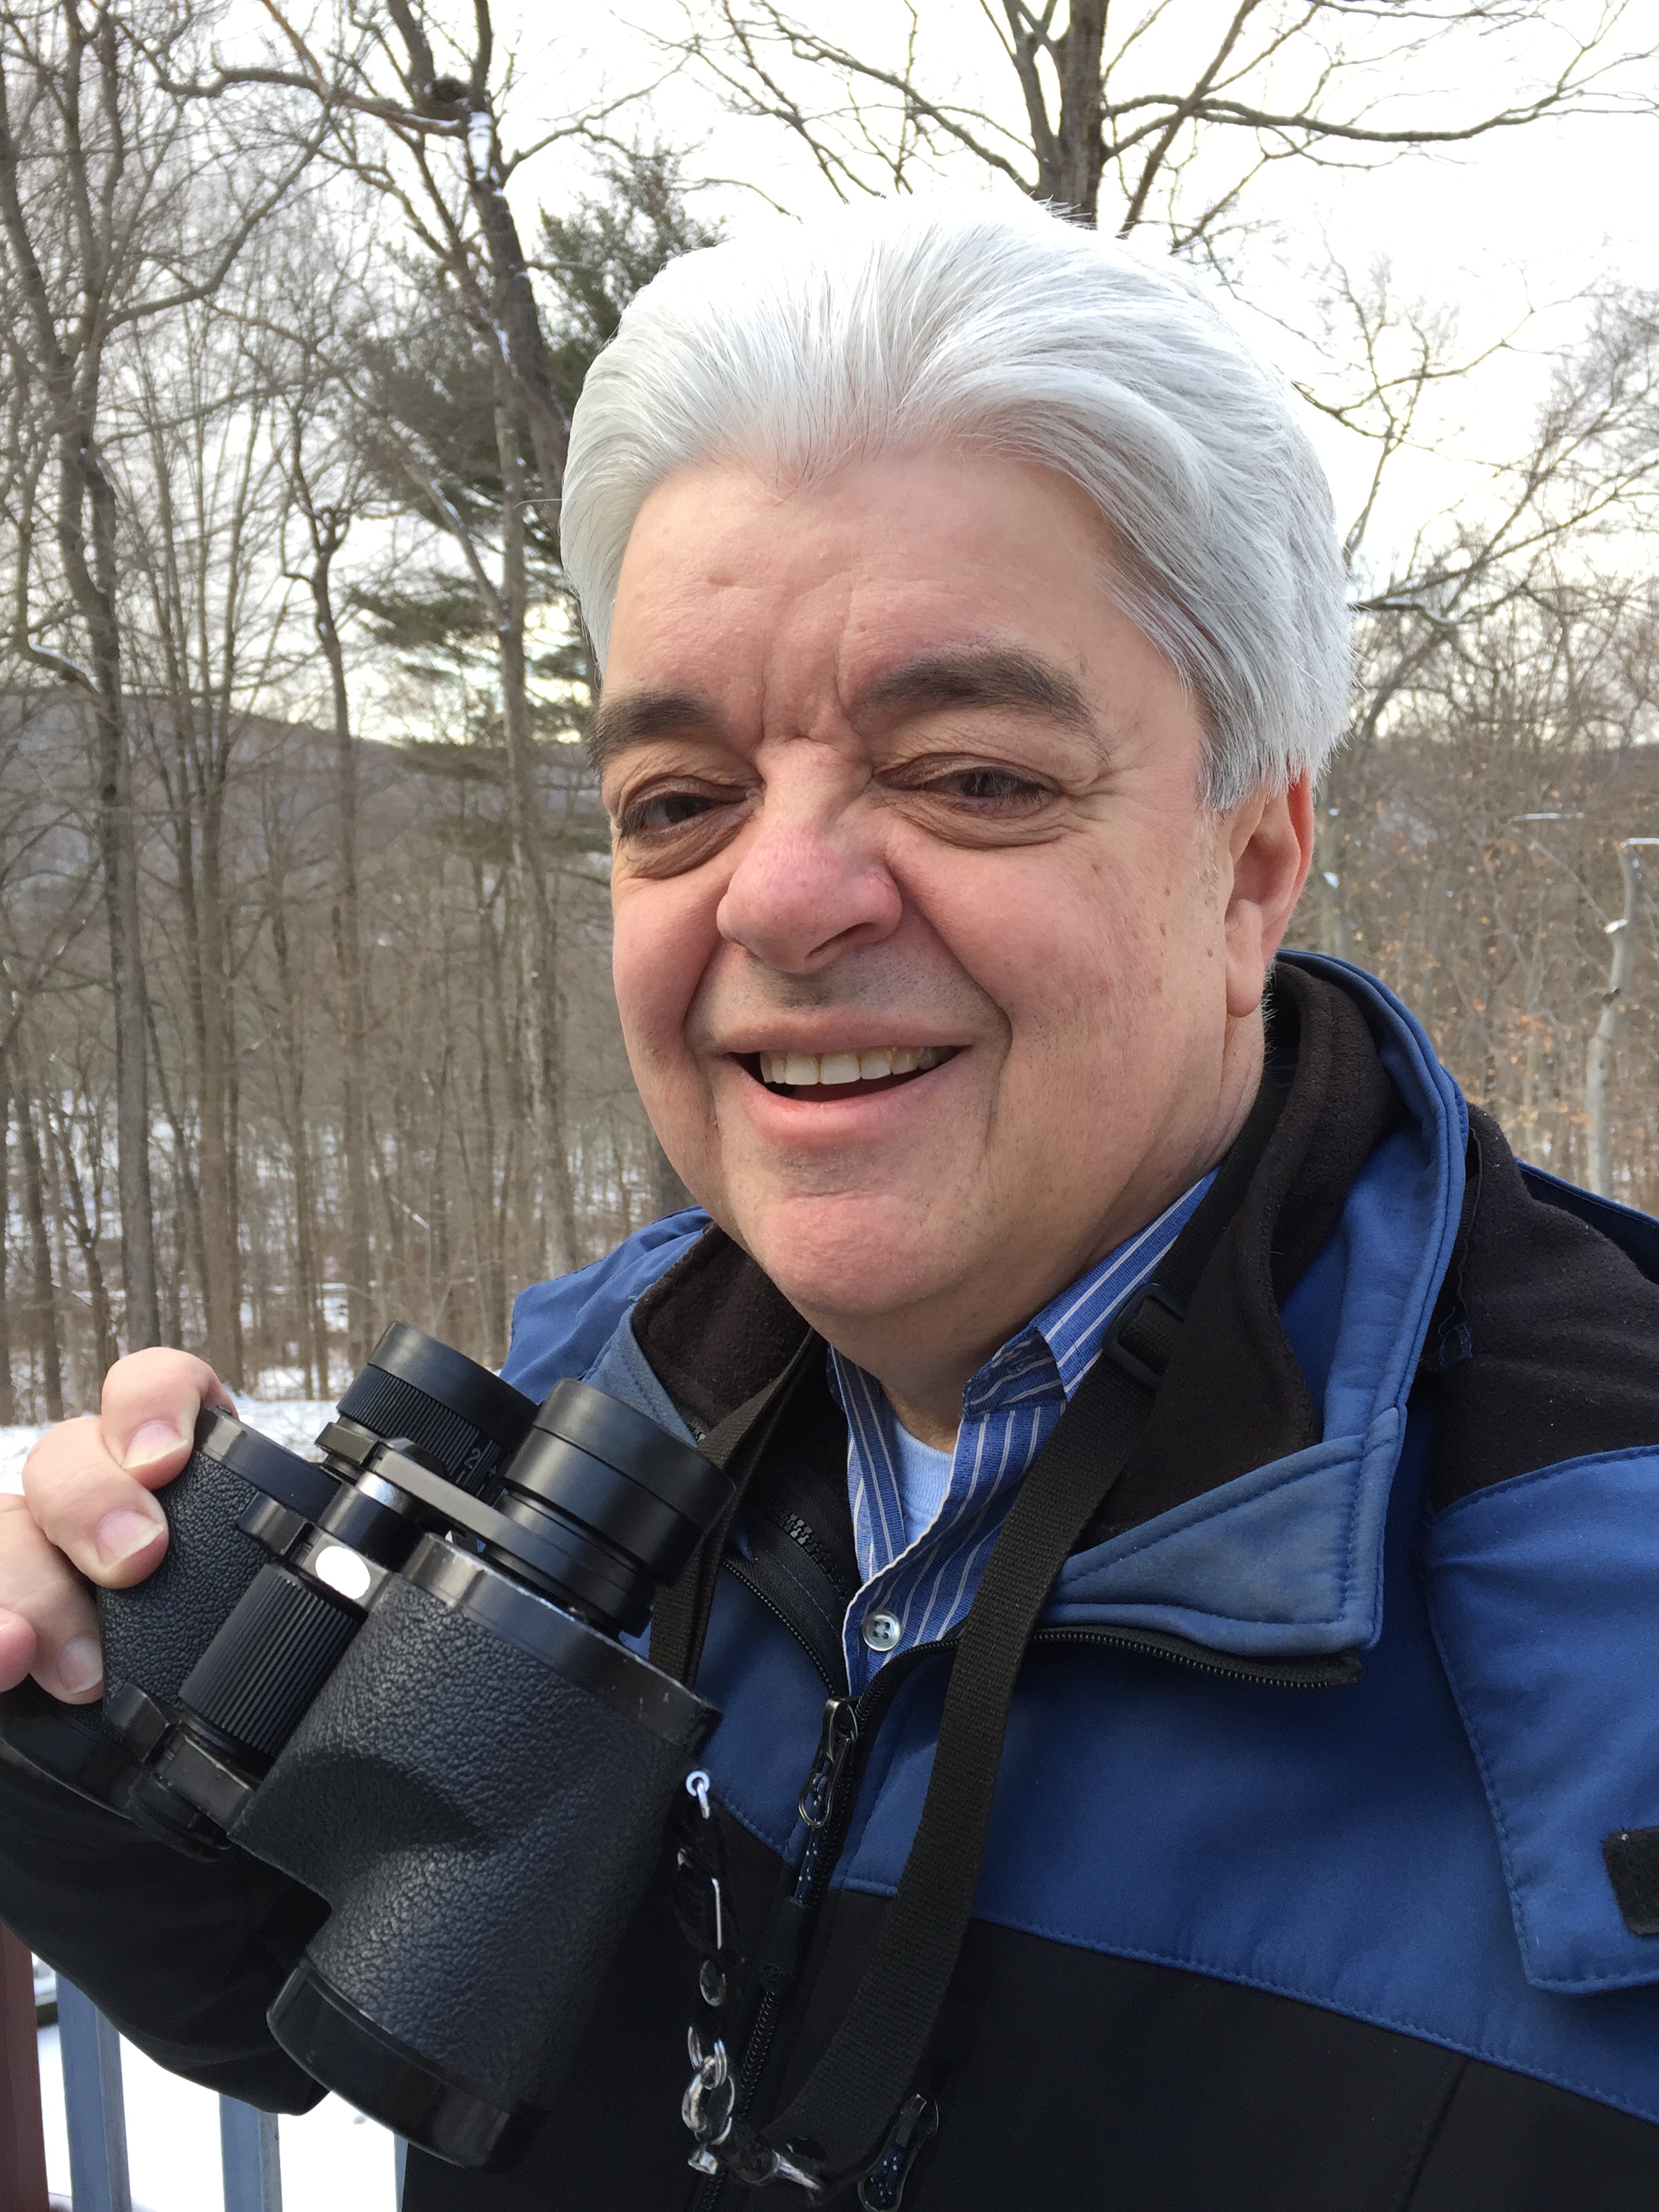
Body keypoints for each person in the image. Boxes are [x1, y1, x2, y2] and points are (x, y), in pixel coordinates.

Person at [5, 198, 1659, 2212]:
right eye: (678, 804)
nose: (781, 898)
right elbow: (313, 2004)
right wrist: (74, 1726)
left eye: (969, 775)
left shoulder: (1608, 1594)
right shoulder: (585, 1423)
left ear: (1251, 865)